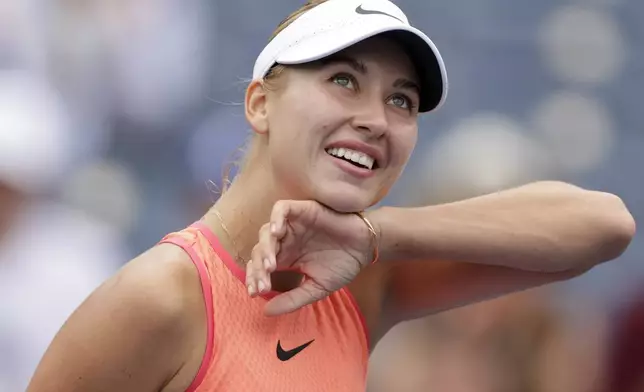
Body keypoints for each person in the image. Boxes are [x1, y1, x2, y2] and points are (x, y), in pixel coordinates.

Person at [27, 0, 635, 391]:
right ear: (260, 103)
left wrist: (379, 236)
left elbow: (604, 226)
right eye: (344, 80)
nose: (376, 119)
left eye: (401, 99)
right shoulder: (163, 295)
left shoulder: (362, 281)